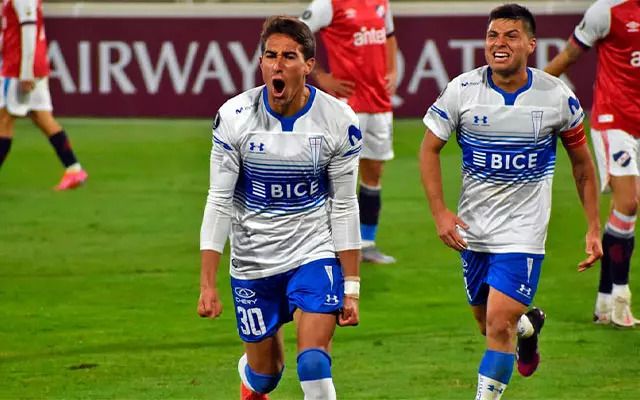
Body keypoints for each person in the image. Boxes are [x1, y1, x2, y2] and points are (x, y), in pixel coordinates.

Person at [419, 4, 602, 399]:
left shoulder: (556, 97)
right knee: (487, 323)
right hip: (473, 231)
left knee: (498, 325)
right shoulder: (462, 90)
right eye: (492, 36)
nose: (499, 44)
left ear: (531, 44)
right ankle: (529, 326)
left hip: (524, 232)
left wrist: (592, 227)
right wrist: (440, 213)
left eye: (510, 36)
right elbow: (429, 149)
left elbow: (583, 166)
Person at [197, 16, 361, 400]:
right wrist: (207, 283)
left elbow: (344, 205)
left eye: (289, 56)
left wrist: (351, 287)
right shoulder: (235, 119)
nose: (277, 64)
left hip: (312, 252)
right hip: (254, 262)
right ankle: (250, 375)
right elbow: (219, 201)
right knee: (266, 376)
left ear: (308, 65)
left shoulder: (338, 121)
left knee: (314, 363)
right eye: (270, 55)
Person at [545, 0, 640, 328]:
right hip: (615, 121)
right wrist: (532, 90)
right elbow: (570, 55)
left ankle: (603, 301)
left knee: (622, 213)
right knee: (628, 203)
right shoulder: (607, 10)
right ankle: (621, 297)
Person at [301, 0, 398, 264]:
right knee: (336, 174)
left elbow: (389, 36)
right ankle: (323, 243)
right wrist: (320, 76)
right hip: (346, 104)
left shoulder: (381, 3)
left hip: (379, 104)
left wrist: (393, 70)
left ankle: (366, 243)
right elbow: (297, 32)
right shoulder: (328, 3)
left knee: (374, 173)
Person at [0, 0, 87, 190]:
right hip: (28, 66)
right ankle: (73, 169)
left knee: (4, 121)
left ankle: (74, 170)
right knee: (42, 118)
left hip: (19, 69)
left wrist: (25, 72)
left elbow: (29, 32)